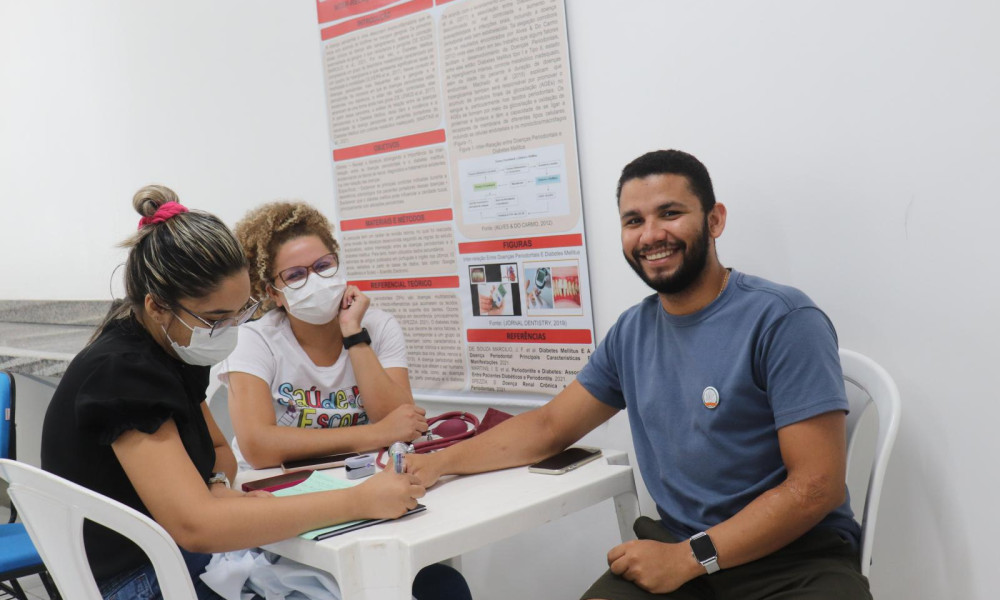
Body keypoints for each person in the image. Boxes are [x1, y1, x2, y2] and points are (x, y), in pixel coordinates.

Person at [407, 150, 872, 599]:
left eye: (669, 213)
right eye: (633, 221)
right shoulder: (632, 331)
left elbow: (815, 487)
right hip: (678, 546)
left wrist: (691, 559)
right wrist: (437, 464)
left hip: (794, 557)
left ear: (715, 220)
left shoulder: (784, 319)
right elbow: (549, 427)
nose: (650, 235)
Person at [39, 186, 459, 600]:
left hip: (182, 552)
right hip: (136, 577)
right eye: (217, 318)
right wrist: (357, 501)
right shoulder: (123, 372)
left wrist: (217, 484)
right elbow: (197, 526)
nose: (231, 331)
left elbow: (220, 451)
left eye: (240, 313)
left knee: (435, 584)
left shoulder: (173, 346)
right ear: (157, 306)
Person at [217, 201, 427, 470]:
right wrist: (375, 434)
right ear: (273, 293)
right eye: (295, 275)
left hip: (366, 473)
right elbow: (258, 448)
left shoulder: (378, 326)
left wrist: (353, 333)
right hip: (275, 482)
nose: (315, 280)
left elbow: (401, 422)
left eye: (323, 265)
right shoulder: (253, 340)